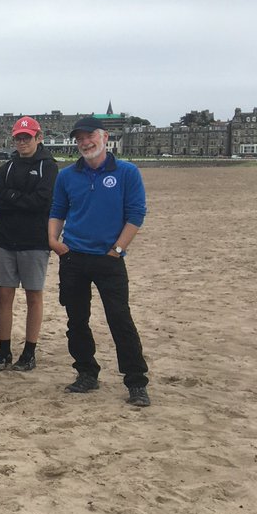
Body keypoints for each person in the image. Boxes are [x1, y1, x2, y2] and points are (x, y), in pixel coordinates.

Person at [49, 117, 150, 407]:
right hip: (73, 256)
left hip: (109, 258)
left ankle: (136, 381)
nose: (85, 142)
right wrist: (54, 241)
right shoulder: (67, 175)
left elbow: (135, 215)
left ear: (104, 136)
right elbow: (57, 210)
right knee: (76, 319)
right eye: (79, 138)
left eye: (89, 136)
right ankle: (86, 372)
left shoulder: (127, 172)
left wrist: (117, 250)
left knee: (120, 319)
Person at [0, 116, 57, 372]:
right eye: (18, 137)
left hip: (35, 242)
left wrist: (11, 198)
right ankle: (4, 350)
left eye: (27, 137)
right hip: (5, 241)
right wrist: (20, 199)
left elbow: (43, 201)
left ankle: (29, 351)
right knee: (3, 295)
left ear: (38, 137)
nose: (22, 142)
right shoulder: (6, 167)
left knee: (33, 296)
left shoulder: (48, 167)